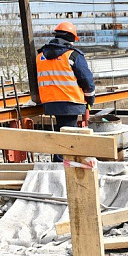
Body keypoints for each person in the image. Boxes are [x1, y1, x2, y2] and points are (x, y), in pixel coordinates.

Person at [36, 21, 95, 162]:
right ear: (71, 38)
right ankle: (62, 167)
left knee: (61, 133)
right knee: (68, 139)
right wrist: (90, 99)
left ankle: (60, 162)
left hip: (50, 102)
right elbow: (87, 80)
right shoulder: (72, 56)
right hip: (71, 102)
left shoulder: (40, 56)